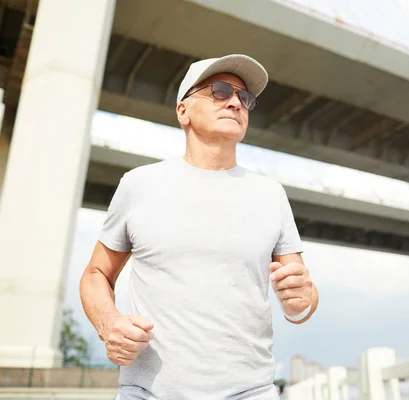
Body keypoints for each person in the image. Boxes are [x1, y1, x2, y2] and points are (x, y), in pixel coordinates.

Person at [80, 54, 319, 400]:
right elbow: (96, 274)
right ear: (183, 111)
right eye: (220, 91)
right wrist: (109, 323)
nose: (236, 102)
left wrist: (302, 300)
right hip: (147, 393)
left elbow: (303, 299)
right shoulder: (138, 185)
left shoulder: (271, 195)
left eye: (244, 98)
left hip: (249, 392)